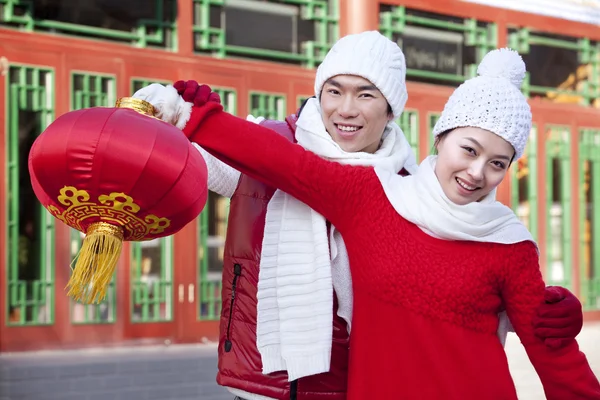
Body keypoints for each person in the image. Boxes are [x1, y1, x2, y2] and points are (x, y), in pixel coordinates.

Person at [134, 32, 585, 400]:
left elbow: (555, 356)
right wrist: (192, 115)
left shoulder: (508, 242)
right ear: (440, 139)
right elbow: (280, 161)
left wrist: (556, 310)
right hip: (288, 380)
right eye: (468, 150)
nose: (476, 172)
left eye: (497, 163)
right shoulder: (378, 196)